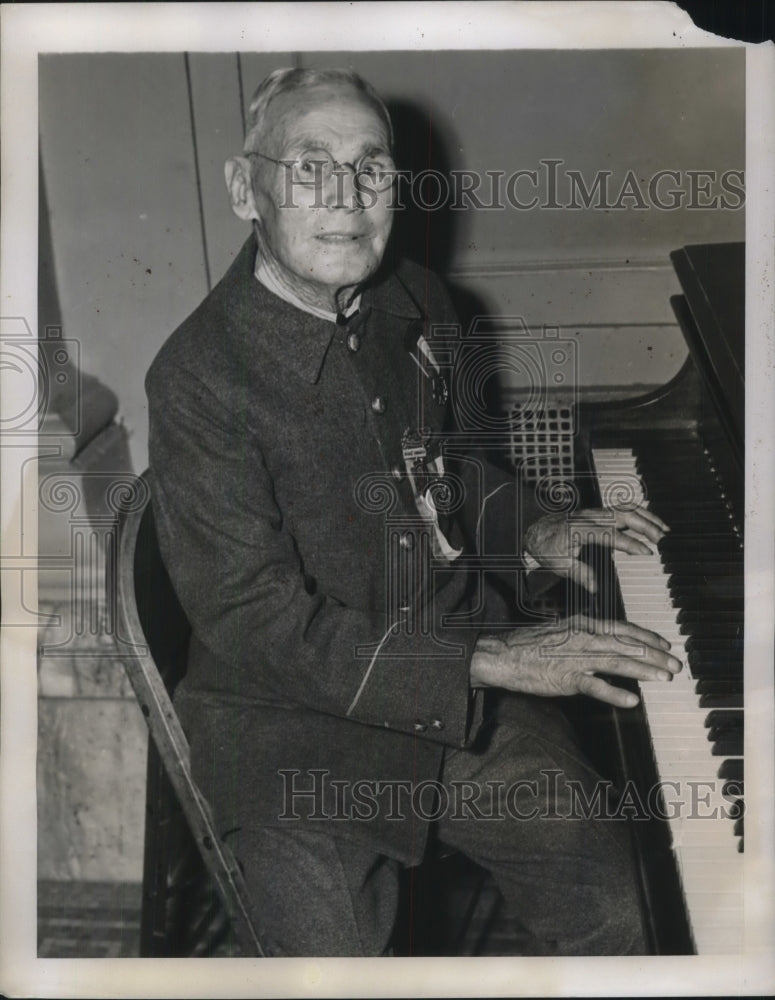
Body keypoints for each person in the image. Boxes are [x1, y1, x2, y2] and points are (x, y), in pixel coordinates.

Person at [146, 67, 680, 957]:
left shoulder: (419, 299)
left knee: (632, 907)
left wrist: (536, 525)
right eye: (311, 167)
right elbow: (254, 620)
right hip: (294, 725)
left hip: (458, 681)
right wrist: (492, 655)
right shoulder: (199, 378)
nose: (348, 198)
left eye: (372, 168)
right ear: (248, 188)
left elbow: (451, 468)